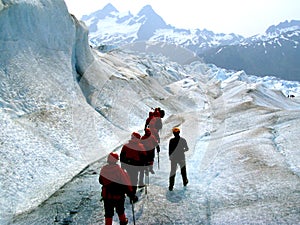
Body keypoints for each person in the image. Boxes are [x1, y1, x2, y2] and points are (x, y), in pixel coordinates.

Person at [99, 152, 138, 225]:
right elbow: (126, 184)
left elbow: (100, 180)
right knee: (120, 210)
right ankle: (123, 222)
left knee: (108, 213)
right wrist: (131, 195)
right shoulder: (119, 170)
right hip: (118, 196)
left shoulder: (104, 169)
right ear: (116, 160)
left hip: (107, 196)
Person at [168, 127, 189, 191]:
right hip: (181, 157)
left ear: (173, 133)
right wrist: (183, 150)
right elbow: (187, 148)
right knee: (183, 171)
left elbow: (170, 150)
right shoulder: (183, 140)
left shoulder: (171, 140)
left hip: (174, 158)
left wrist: (170, 157)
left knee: (173, 172)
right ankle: (185, 182)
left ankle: (171, 186)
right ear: (179, 133)